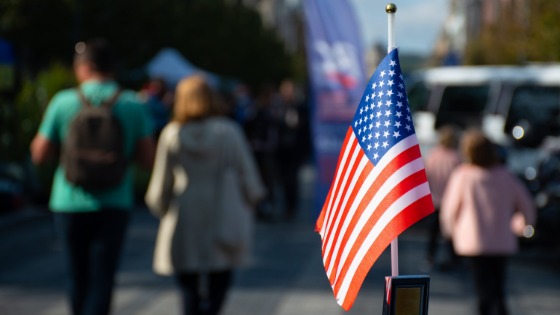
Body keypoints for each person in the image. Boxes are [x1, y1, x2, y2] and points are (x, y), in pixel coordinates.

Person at [30, 38, 156, 315]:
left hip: (69, 200)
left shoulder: (63, 101)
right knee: (103, 279)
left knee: (76, 277)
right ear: (113, 68)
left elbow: (39, 154)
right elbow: (149, 159)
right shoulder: (132, 103)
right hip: (115, 200)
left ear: (83, 67)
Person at [144, 75, 265, 315]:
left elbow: (160, 182)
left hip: (184, 212)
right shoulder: (228, 131)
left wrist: (159, 206)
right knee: (220, 276)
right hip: (222, 210)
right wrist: (254, 199)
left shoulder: (172, 133)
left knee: (187, 284)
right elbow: (247, 174)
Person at [440, 129, 536, 315]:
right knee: (498, 288)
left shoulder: (463, 175)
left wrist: (449, 232)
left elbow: (450, 209)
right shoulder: (505, 176)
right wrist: (524, 226)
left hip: (474, 242)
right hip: (502, 241)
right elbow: (526, 204)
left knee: (482, 289)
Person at [423, 125, 461, 270]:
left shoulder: (433, 155)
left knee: (432, 232)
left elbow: (426, 176)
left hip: (434, 199)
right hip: (450, 202)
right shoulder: (456, 158)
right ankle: (453, 259)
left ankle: (430, 257)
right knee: (450, 232)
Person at [275, 79, 311, 221]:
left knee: (292, 179)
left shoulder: (300, 107)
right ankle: (286, 205)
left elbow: (304, 128)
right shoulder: (278, 107)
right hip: (281, 151)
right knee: (283, 180)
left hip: (295, 151)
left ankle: (291, 207)